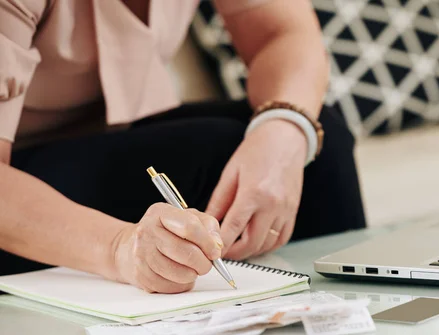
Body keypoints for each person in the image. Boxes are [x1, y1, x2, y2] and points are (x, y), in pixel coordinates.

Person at [0, 0, 366, 293]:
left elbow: (282, 32)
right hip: (16, 189)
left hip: (104, 136)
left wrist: (283, 130)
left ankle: (343, 327)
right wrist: (119, 247)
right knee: (212, 152)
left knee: (316, 140)